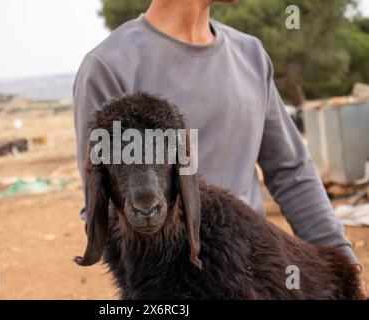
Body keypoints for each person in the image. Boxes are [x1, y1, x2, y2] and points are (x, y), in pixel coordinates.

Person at [73, 0, 367, 297]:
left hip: (251, 277)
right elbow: (98, 203)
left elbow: (291, 172)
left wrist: (348, 272)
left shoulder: (250, 54)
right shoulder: (109, 64)